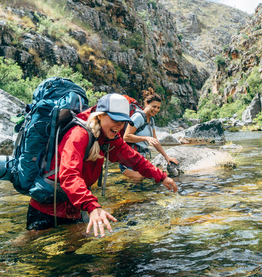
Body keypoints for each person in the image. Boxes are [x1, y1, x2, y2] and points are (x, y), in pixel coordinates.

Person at [26, 93, 178, 237]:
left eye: (123, 121)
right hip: (48, 205)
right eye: (115, 119)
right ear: (100, 116)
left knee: (76, 252)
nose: (119, 125)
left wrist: (161, 176)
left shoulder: (109, 138)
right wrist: (92, 206)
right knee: (27, 248)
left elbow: (134, 159)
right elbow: (69, 175)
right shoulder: (79, 135)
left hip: (75, 205)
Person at [121, 89, 179, 180]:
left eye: (158, 107)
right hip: (129, 159)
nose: (156, 109)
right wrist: (146, 138)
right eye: (154, 106)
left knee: (155, 176)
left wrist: (166, 157)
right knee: (139, 178)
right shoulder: (138, 117)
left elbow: (155, 141)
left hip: (140, 159)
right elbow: (126, 137)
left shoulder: (151, 120)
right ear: (147, 104)